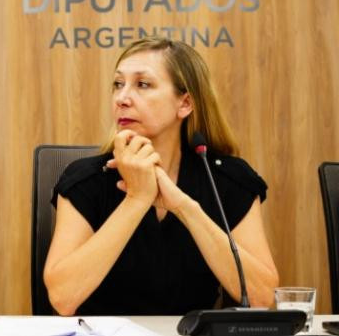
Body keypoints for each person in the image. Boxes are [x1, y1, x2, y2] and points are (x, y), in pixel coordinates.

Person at [43, 37, 279, 316]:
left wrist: (185, 208)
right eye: (118, 84)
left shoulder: (227, 179)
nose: (122, 98)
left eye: (143, 84)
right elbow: (62, 299)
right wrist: (136, 200)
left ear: (185, 103)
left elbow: (263, 297)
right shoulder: (86, 179)